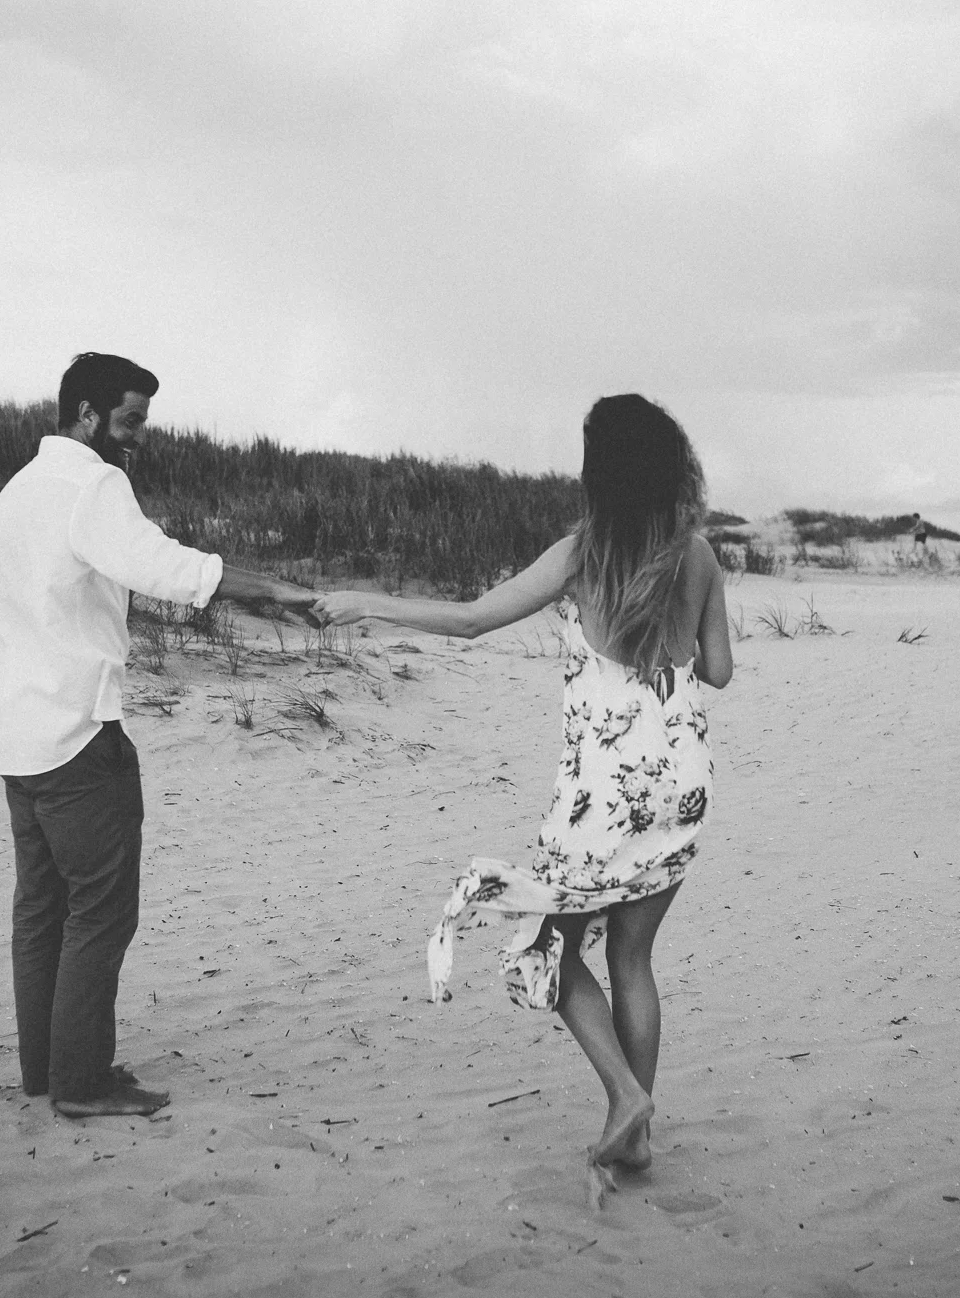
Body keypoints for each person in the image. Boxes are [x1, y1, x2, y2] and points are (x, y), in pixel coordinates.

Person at [314, 394, 733, 1200]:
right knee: (633, 958)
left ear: (600, 473)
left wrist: (370, 601)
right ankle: (636, 1140)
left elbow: (475, 621)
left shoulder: (581, 554)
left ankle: (627, 1096)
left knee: (542, 944)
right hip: (679, 786)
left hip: (602, 795)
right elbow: (716, 670)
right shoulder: (700, 555)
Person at [0, 353, 319, 1118]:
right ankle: (81, 1084)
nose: (138, 437)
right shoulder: (92, 485)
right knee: (101, 911)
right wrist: (275, 590)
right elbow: (167, 568)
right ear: (87, 414)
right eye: (129, 420)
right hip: (75, 734)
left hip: (15, 735)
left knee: (41, 910)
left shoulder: (14, 492)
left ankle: (46, 1071)